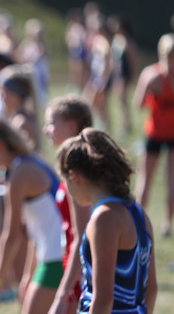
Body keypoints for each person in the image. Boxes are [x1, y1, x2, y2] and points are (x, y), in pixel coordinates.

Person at [56, 128, 157, 313]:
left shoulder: (104, 219)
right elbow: (152, 288)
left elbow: (102, 300)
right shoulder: (139, 213)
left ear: (74, 177)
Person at [0, 118, 63, 314]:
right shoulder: (27, 164)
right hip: (53, 257)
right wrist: (28, 274)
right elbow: (35, 229)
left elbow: (11, 234)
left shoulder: (20, 174)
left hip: (57, 258)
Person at [43, 95, 93, 314]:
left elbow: (81, 235)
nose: (47, 130)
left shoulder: (76, 168)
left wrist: (63, 292)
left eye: (51, 123)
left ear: (71, 125)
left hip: (81, 266)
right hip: (73, 262)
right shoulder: (69, 162)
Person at [133, 33, 174, 237]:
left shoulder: (151, 75)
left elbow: (138, 104)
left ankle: (139, 222)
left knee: (145, 181)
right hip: (169, 133)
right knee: (171, 182)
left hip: (155, 133)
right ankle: (167, 224)